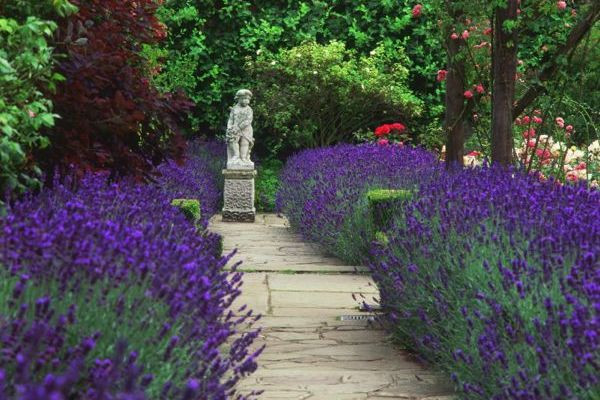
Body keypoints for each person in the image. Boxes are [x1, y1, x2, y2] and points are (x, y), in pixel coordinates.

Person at [226, 89, 254, 168]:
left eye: (248, 99)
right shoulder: (234, 109)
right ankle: (236, 156)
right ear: (238, 98)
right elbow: (231, 119)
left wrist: (239, 127)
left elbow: (248, 120)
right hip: (235, 130)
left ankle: (243, 158)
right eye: (244, 99)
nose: (247, 101)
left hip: (246, 130)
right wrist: (229, 127)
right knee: (234, 141)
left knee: (244, 143)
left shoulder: (249, 109)